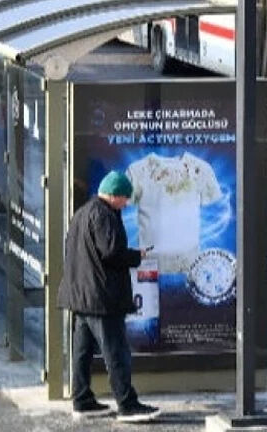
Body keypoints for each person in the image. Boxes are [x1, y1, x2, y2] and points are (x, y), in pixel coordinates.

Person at [57, 171, 160, 423]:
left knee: (81, 351)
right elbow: (112, 253)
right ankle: (127, 404)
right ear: (113, 196)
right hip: (101, 298)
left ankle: (81, 399)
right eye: (124, 198)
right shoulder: (104, 215)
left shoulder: (82, 213)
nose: (126, 204)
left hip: (81, 296)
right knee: (116, 351)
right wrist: (138, 256)